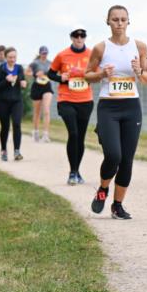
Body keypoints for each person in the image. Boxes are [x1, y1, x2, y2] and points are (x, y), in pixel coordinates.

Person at [85, 6, 147, 220]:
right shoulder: (100, 48)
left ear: (128, 22)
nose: (119, 23)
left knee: (127, 160)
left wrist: (139, 71)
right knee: (113, 154)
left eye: (123, 19)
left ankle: (118, 205)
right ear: (108, 22)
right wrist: (102, 73)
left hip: (132, 107)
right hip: (109, 107)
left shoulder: (139, 46)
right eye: (115, 19)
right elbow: (87, 75)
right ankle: (103, 189)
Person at [48, 29, 94, 185]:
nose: (79, 38)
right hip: (66, 99)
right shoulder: (62, 55)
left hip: (85, 100)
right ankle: (72, 172)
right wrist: (61, 77)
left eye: (82, 36)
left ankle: (76, 171)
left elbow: (97, 73)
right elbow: (50, 73)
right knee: (73, 133)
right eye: (76, 36)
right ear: (71, 38)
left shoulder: (91, 53)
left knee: (80, 137)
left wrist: (89, 75)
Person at [0, 47, 28, 161]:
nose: (12, 59)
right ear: (5, 57)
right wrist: (5, 81)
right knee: (5, 127)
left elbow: (23, 81)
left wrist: (23, 83)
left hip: (17, 101)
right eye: (10, 57)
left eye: (14, 57)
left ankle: (17, 151)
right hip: (3, 102)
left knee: (17, 124)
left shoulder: (19, 68)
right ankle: (4, 150)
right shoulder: (0, 69)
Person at [28, 45, 54, 143]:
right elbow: (27, 72)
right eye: (43, 53)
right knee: (37, 112)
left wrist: (49, 75)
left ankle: (46, 134)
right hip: (37, 87)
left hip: (47, 86)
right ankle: (35, 132)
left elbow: (54, 74)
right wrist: (35, 74)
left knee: (46, 110)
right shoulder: (35, 63)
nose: (44, 55)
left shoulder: (50, 63)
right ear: (40, 53)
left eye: (46, 53)